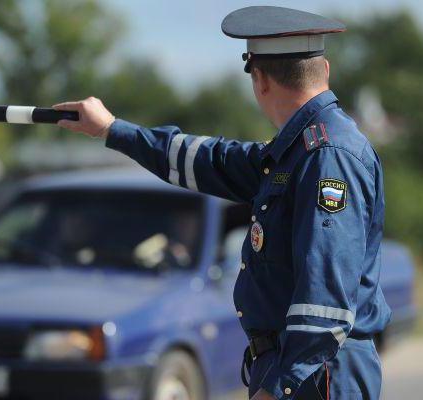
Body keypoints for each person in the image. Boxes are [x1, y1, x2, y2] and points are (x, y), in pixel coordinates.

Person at [52, 6, 391, 400]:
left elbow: (325, 300)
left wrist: (279, 387)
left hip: (314, 375)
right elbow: (208, 158)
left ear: (259, 79)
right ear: (325, 70)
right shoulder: (297, 151)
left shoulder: (326, 155)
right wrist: (112, 130)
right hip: (299, 369)